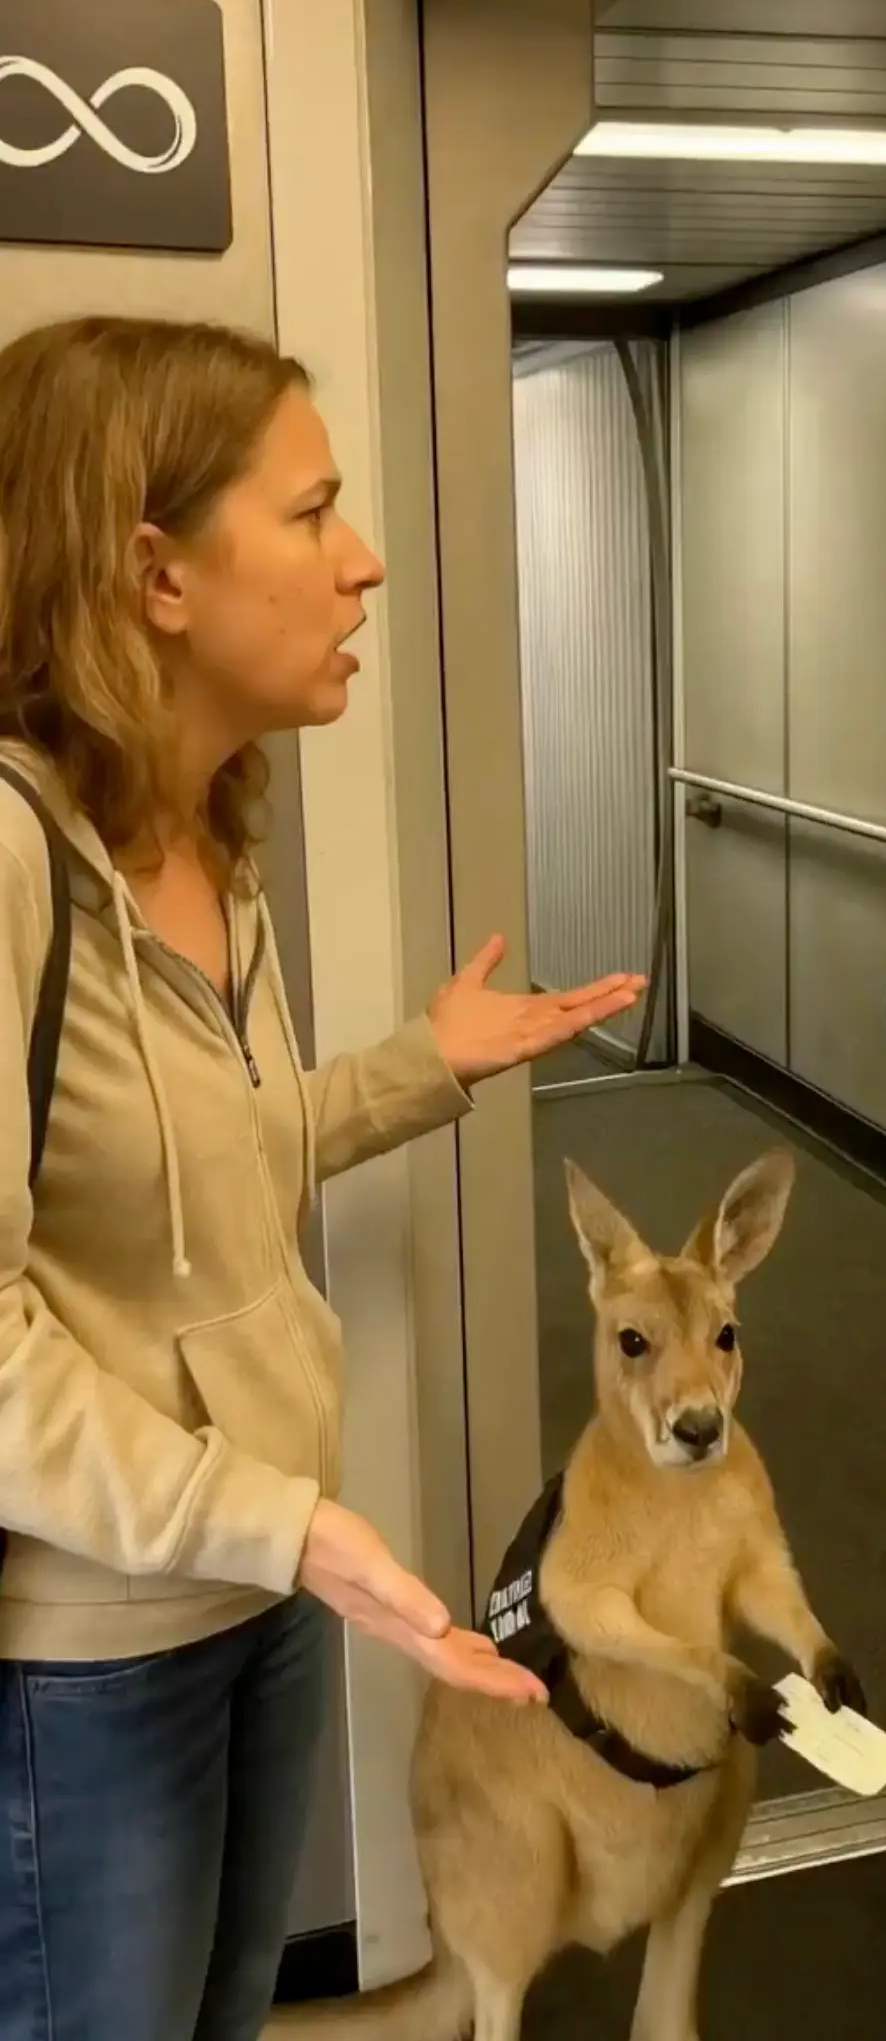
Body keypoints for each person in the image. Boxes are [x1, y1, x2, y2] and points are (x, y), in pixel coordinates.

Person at [0, 315, 645, 2041]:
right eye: (310, 513)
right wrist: (289, 1528)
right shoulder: (10, 858)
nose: (361, 562)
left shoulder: (205, 838)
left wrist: (423, 1063)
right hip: (93, 1643)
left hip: (261, 1578)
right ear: (157, 574)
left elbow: (208, 1168)